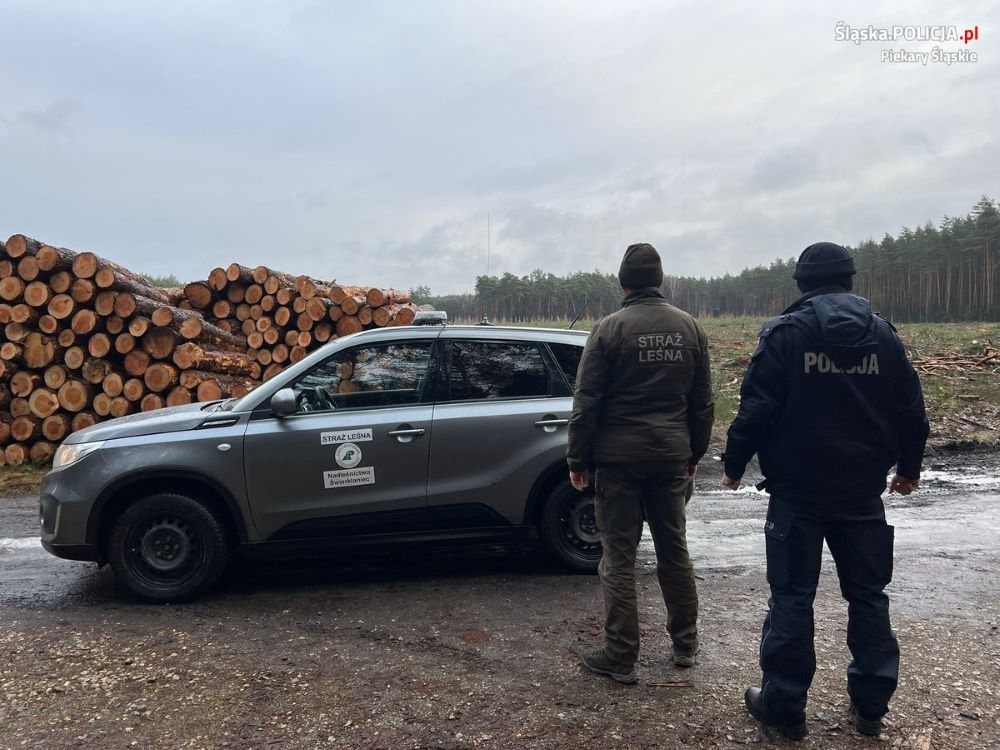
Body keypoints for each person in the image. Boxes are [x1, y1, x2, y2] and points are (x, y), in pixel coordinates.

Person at [721, 242, 929, 739]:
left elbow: (756, 409)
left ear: (802, 284)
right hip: (861, 491)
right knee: (869, 595)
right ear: (850, 280)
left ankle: (785, 707)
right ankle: (872, 708)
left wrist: (732, 465)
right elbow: (911, 410)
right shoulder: (883, 336)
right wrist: (909, 468)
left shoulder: (786, 335)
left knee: (792, 596)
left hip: (797, 491)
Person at [567, 242, 714, 685]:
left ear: (622, 282)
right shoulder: (690, 328)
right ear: (659, 280)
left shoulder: (609, 329)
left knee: (619, 558)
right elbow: (703, 402)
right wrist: (695, 454)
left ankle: (620, 655)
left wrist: (578, 457)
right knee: (674, 552)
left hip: (619, 460)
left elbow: (586, 401)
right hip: (671, 456)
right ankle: (685, 645)